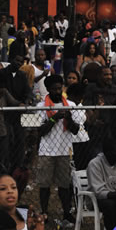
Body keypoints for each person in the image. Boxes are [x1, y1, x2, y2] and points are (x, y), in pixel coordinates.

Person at [37, 73, 79, 221]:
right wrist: (55, 117)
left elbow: (75, 130)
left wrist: (69, 118)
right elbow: (40, 131)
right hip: (47, 150)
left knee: (64, 184)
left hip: (65, 149)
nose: (57, 91)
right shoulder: (41, 106)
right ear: (48, 89)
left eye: (59, 88)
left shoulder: (71, 105)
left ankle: (66, 212)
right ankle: (44, 212)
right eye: (54, 89)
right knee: (44, 184)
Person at [87, 138, 116, 230]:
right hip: (98, 200)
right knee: (110, 205)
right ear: (107, 153)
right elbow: (98, 191)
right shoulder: (95, 164)